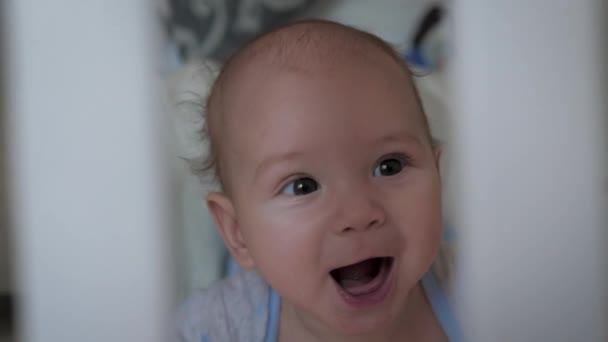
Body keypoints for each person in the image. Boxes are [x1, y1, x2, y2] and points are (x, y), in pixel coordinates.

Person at [176, 20, 461, 342]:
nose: (358, 214)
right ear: (237, 232)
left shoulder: (481, 289)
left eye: (389, 166)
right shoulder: (219, 324)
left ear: (436, 176)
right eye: (303, 186)